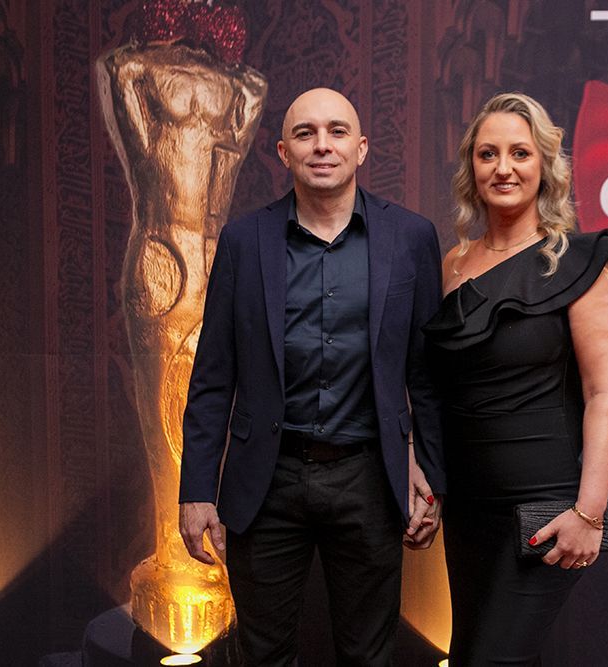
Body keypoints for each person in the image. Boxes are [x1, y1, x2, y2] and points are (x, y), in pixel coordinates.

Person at [178, 87, 446, 666]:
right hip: (265, 480)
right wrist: (197, 489)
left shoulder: (411, 237)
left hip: (369, 478)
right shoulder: (244, 241)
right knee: (263, 655)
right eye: (305, 133)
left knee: (368, 656)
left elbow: (427, 374)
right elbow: (213, 375)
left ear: (362, 148)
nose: (322, 145)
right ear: (283, 152)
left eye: (337, 131)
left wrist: (431, 473)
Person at [422, 92, 608, 665]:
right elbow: (433, 388)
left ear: (545, 165)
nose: (503, 168)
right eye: (487, 154)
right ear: (471, 168)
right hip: (469, 508)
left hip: (549, 509)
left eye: (520, 152)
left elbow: (606, 398)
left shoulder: (583, 265)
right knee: (471, 653)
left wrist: (589, 513)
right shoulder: (451, 265)